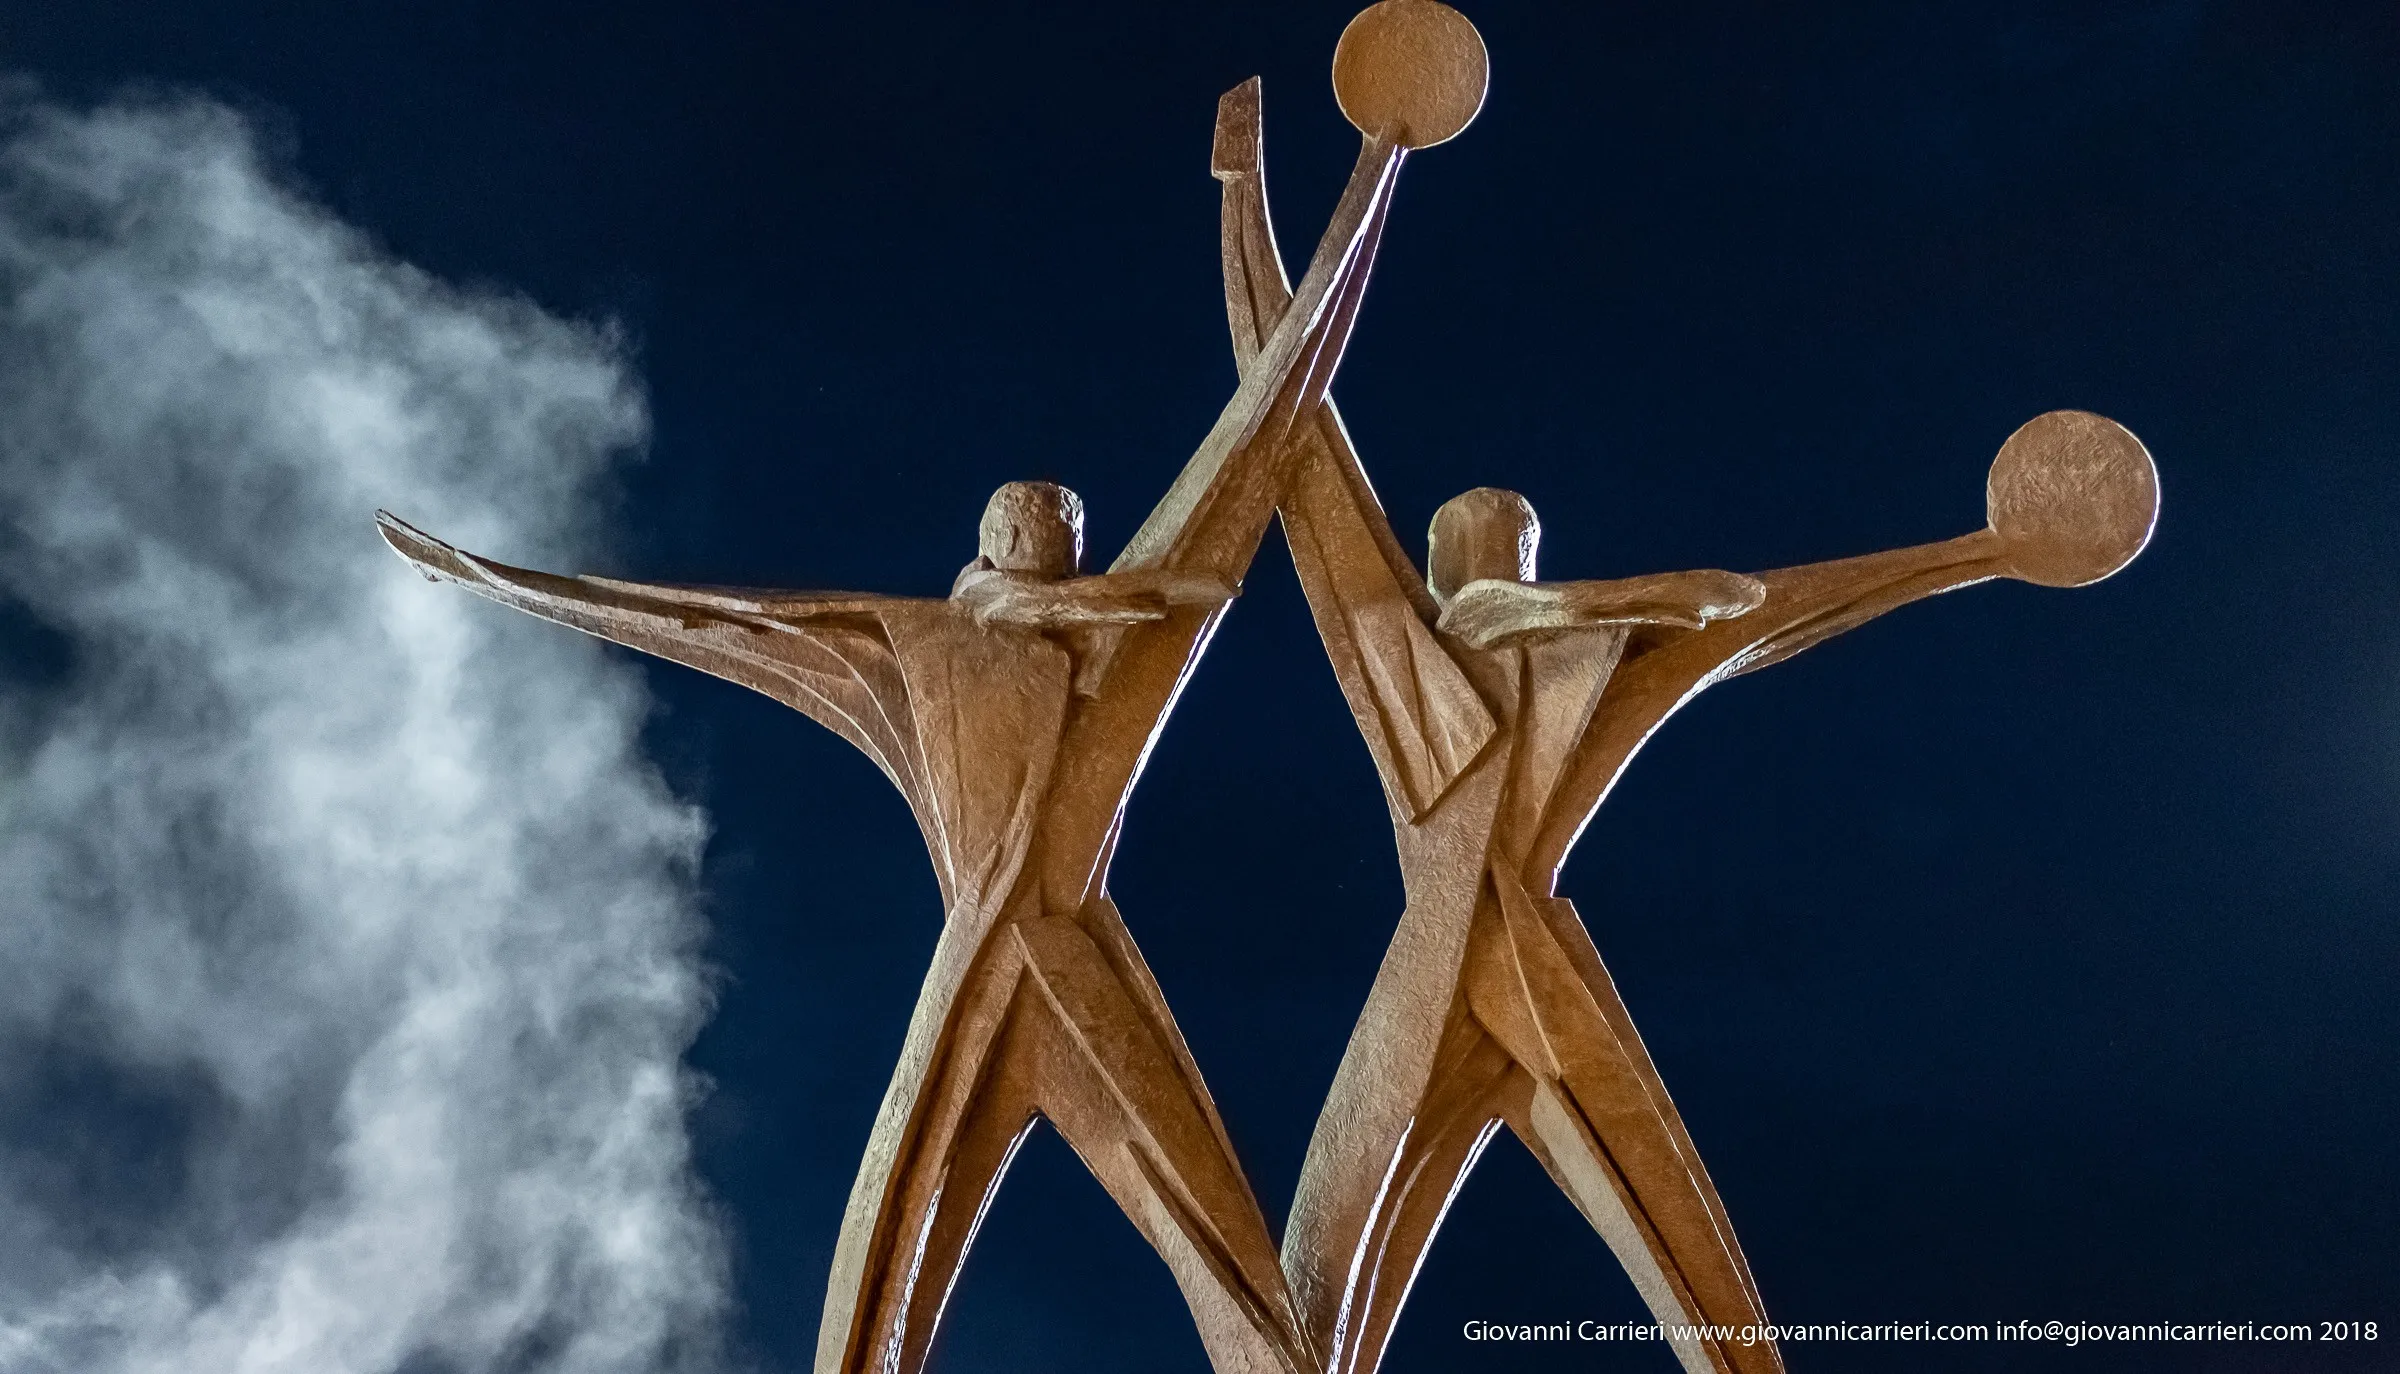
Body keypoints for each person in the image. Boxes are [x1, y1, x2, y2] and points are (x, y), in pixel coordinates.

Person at [378, 67, 1427, 1372]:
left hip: (1075, 962)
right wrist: (501, 581)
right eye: (1027, 527)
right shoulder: (915, 649)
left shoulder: (1123, 639)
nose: (1047, 536)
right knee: (882, 1296)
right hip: (986, 965)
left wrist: (1363, 169)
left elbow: (1269, 413)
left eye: (1061, 530)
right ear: (989, 545)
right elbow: (710, 623)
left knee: (1253, 1306)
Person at [1212, 79, 2158, 1374]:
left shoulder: (1591, 655)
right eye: (1481, 550)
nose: (1497, 562)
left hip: (1518, 963)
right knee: (1310, 1317)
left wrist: (1978, 551)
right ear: (1438, 567)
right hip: (1442, 971)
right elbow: (1293, 427)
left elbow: (1777, 611)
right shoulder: (1413, 642)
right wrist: (1278, 195)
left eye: (1511, 547)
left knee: (1697, 1306)